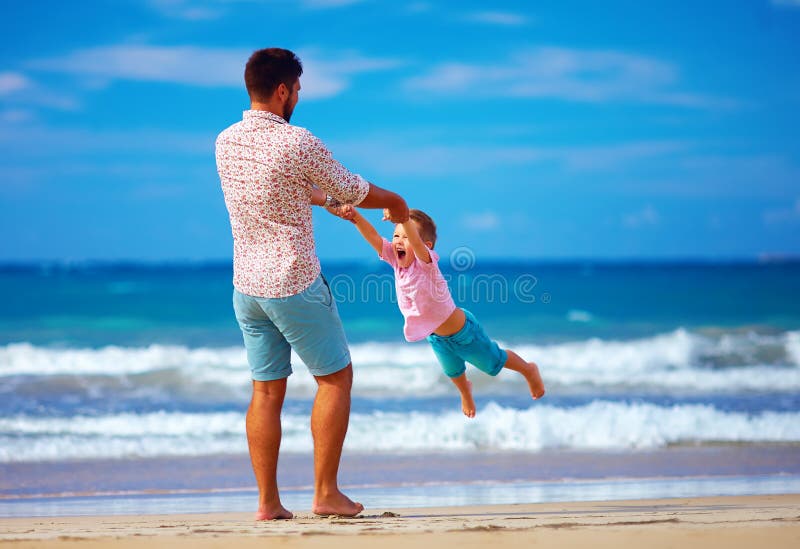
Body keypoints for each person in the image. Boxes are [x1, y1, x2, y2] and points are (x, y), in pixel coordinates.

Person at [215, 47, 408, 520]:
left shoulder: (225, 141)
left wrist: (321, 202)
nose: (299, 96)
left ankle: (268, 504)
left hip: (247, 286)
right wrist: (399, 204)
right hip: (294, 280)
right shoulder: (297, 141)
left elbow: (279, 186)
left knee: (265, 392)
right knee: (336, 378)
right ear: (282, 90)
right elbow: (356, 189)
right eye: (297, 89)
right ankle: (326, 494)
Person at [327, 205, 545, 418]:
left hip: (463, 333)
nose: (399, 241)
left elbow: (414, 240)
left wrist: (401, 215)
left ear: (426, 245)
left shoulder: (426, 263)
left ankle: (528, 370)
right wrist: (355, 217)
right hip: (436, 336)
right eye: (396, 236)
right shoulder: (396, 262)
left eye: (406, 237)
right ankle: (465, 392)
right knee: (453, 371)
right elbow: (373, 236)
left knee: (493, 362)